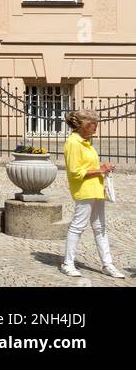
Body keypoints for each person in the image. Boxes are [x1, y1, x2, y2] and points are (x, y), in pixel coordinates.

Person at [60, 110, 125, 278]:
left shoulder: (86, 142)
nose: (96, 127)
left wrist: (101, 168)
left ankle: (107, 264)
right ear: (83, 125)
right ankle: (67, 263)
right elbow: (75, 172)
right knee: (78, 227)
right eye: (93, 123)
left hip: (96, 188)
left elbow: (88, 166)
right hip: (84, 190)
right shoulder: (73, 143)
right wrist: (100, 170)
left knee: (100, 228)